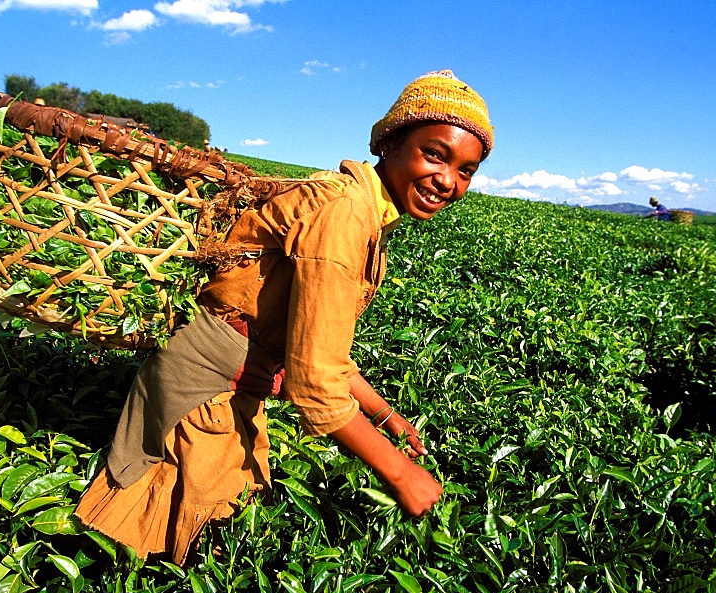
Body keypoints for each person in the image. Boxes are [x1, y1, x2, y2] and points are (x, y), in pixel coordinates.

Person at [75, 70, 494, 565]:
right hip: (205, 388)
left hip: (232, 381)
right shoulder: (344, 215)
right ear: (391, 144)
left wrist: (386, 417)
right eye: (435, 154)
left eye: (465, 170)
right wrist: (401, 473)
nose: (448, 181)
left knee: (209, 532)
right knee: (178, 541)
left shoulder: (362, 210)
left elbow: (320, 344)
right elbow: (314, 381)